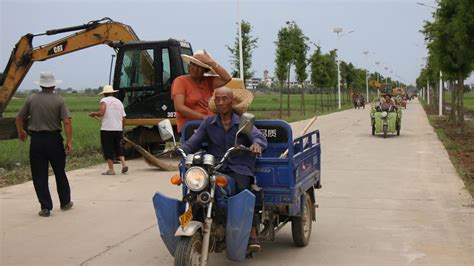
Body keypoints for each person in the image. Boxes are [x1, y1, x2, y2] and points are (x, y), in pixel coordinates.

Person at [181, 86, 267, 252]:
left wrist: (257, 144)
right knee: (198, 189)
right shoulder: (208, 123)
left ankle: (251, 232)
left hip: (239, 167)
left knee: (244, 192)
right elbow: (193, 142)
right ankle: (199, 221)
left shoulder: (243, 121)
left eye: (224, 99)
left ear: (232, 102)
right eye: (217, 99)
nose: (220, 102)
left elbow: (258, 137)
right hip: (217, 167)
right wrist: (181, 150)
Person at [15, 72, 73, 217]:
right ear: (54, 85)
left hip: (37, 141)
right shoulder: (60, 100)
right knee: (59, 171)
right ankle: (65, 202)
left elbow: (19, 118)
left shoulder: (31, 99)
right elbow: (66, 121)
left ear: (40, 85)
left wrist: (21, 132)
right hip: (54, 140)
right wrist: (69, 140)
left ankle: (45, 207)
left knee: (39, 175)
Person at [171, 50, 232, 133]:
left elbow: (227, 78)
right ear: (190, 65)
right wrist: (203, 117)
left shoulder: (208, 81)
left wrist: (212, 63)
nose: (195, 69)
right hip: (191, 127)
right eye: (193, 64)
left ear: (205, 70)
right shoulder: (180, 81)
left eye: (199, 66)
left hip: (210, 126)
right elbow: (179, 107)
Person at [89, 85, 128, 175]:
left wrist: (94, 113)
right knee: (117, 147)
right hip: (118, 129)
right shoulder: (119, 102)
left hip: (107, 129)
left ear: (104, 94)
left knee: (108, 148)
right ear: (112, 93)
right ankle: (124, 164)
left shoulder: (104, 101)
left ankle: (111, 170)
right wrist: (121, 129)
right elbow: (124, 118)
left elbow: (102, 112)